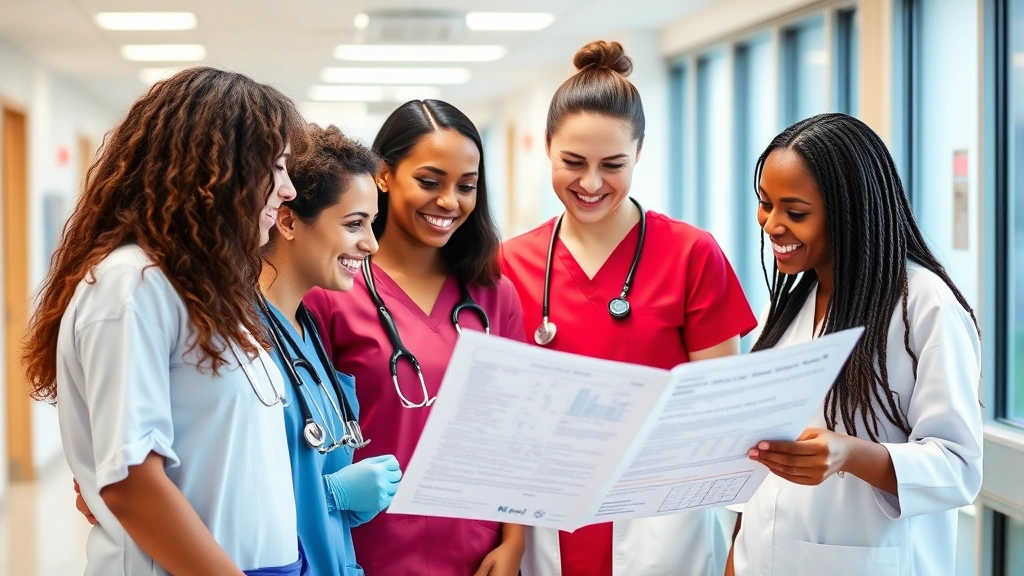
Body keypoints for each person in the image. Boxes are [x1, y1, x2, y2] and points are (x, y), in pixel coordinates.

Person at [22, 67, 309, 575]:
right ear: (220, 170)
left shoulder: (205, 289)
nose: (288, 190)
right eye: (277, 167)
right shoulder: (132, 284)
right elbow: (131, 482)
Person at [499, 40, 758, 576]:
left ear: (639, 152)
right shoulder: (510, 262)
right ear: (546, 146)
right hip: (548, 511)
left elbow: (720, 412)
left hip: (659, 520)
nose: (591, 183)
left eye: (613, 164)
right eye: (573, 162)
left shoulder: (691, 254)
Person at [727, 113, 983, 576]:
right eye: (765, 204)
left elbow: (959, 468)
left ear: (850, 212)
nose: (772, 225)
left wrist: (850, 455)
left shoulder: (925, 306)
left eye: (795, 212)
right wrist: (735, 558)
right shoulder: (786, 309)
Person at [304, 100, 527, 575]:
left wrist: (514, 541)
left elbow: (516, 428)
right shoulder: (332, 292)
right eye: (430, 182)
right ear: (383, 175)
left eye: (466, 186)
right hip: (368, 547)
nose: (449, 202)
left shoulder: (494, 295)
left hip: (477, 551)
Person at [258, 123, 402, 576]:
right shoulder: (246, 341)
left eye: (372, 224)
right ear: (287, 221)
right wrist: (330, 495)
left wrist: (343, 502)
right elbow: (232, 496)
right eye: (354, 224)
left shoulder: (308, 332)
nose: (371, 244)